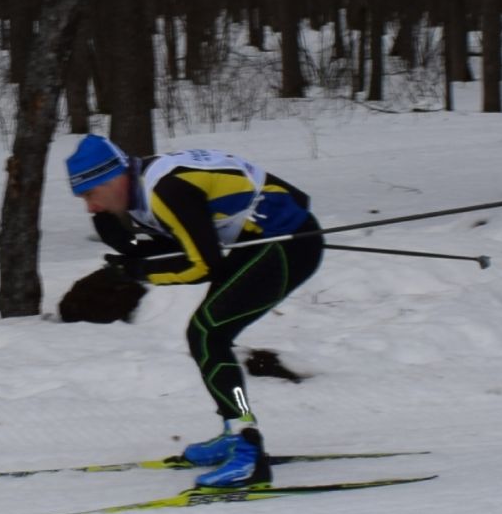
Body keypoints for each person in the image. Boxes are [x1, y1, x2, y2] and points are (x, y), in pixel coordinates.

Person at [64, 133, 324, 489]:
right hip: (263, 239)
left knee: (208, 333)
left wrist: (142, 273)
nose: (90, 208)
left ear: (113, 177)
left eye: (90, 194)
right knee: (206, 334)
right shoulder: (144, 187)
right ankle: (235, 430)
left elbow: (204, 265)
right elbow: (186, 239)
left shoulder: (163, 191)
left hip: (287, 243)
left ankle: (247, 449)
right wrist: (140, 254)